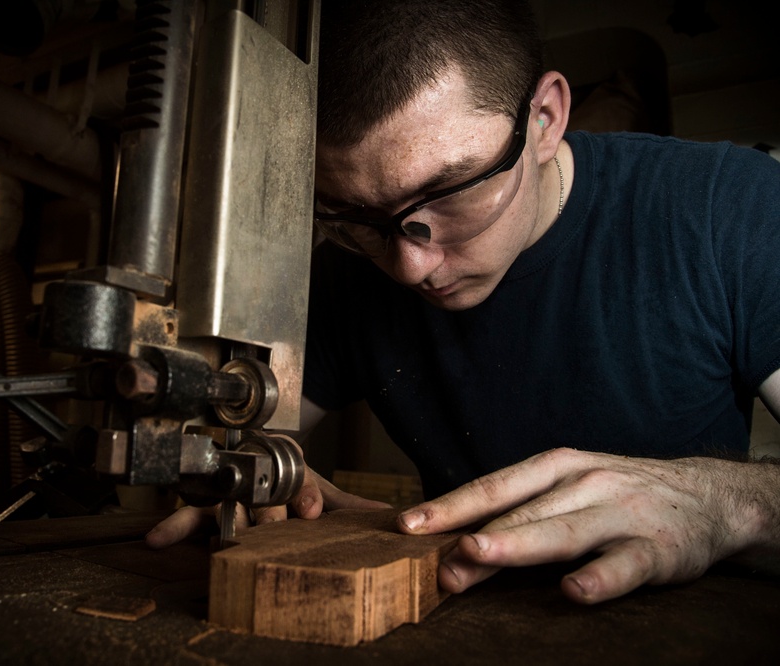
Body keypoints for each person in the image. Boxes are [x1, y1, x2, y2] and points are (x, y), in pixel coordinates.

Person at [147, 0, 780, 604]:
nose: (410, 265)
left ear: (544, 119)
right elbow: (241, 437)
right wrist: (251, 475)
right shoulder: (348, 272)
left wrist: (727, 502)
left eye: (450, 195)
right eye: (357, 219)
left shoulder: (731, 209)